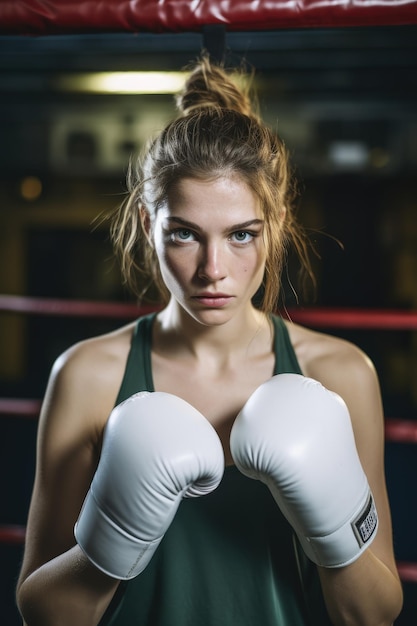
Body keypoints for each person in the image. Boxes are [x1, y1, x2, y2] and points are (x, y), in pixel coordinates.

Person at [16, 56, 403, 626]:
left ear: (276, 225)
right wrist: (112, 544)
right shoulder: (88, 376)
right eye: (184, 235)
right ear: (149, 222)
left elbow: (371, 616)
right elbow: (42, 610)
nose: (212, 270)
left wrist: (335, 532)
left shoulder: (341, 374)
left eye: (241, 235)